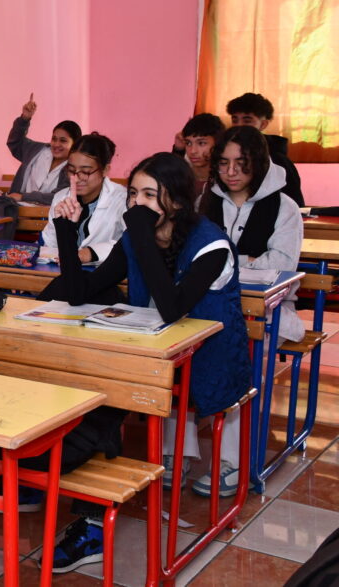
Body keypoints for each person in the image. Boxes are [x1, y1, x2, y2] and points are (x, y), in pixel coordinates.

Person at [38, 152, 250, 570]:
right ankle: (64, 486)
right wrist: (66, 230)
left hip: (205, 364)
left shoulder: (211, 245)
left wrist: (138, 232)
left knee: (104, 399)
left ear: (177, 201)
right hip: (150, 357)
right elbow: (77, 292)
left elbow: (172, 308)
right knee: (87, 385)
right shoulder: (137, 234)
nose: (138, 204)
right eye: (133, 194)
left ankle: (87, 514)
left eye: (150, 195)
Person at [204, 126, 305, 344]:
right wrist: (250, 261)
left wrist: (225, 262)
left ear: (258, 163)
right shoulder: (205, 202)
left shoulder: (285, 207)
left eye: (241, 163)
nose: (231, 172)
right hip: (210, 300)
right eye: (223, 163)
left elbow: (282, 265)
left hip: (270, 308)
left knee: (231, 340)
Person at [40, 133, 126, 264]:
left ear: (105, 170)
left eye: (85, 172)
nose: (76, 179)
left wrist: (89, 253)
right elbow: (50, 243)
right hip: (64, 270)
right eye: (71, 170)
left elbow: (130, 243)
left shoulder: (122, 199)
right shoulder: (61, 197)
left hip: (102, 271)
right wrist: (62, 224)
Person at [226, 92, 304, 207]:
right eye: (235, 120)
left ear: (263, 124)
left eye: (247, 121)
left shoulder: (279, 161)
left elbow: (295, 205)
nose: (239, 126)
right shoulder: (226, 154)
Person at [6, 94, 83, 205]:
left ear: (75, 144)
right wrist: (24, 118)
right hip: (18, 209)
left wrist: (23, 196)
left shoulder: (74, 168)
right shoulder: (37, 151)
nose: (56, 144)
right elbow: (15, 142)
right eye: (54, 139)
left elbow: (60, 196)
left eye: (63, 141)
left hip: (48, 214)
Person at [171, 113, 226, 202]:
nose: (193, 151)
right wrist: (178, 150)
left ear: (218, 143)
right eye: (188, 143)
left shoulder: (226, 180)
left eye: (201, 143)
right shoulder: (182, 176)